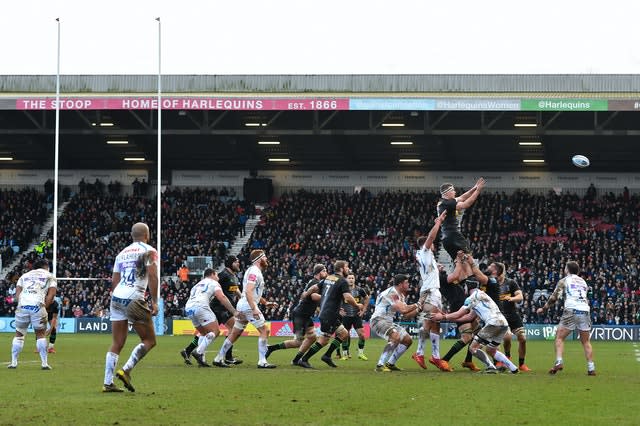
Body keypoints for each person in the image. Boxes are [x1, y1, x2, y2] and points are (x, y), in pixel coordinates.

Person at [102, 222, 159, 393]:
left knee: (117, 343)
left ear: (132, 236)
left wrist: (118, 298)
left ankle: (107, 382)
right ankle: (126, 370)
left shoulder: (122, 253)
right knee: (149, 340)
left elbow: (114, 280)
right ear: (147, 235)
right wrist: (155, 301)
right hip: (134, 297)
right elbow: (153, 275)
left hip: (117, 297)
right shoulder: (149, 250)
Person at [431, 278, 518, 374]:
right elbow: (469, 317)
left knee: (473, 348)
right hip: (503, 324)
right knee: (491, 350)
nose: (464, 289)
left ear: (469, 287)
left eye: (465, 287)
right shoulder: (482, 295)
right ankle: (514, 368)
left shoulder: (471, 298)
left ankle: (490, 367)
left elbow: (459, 313)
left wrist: (443, 317)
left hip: (493, 323)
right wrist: (448, 317)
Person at [212, 249, 278, 369]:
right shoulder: (254, 272)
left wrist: (265, 302)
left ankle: (218, 358)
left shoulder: (254, 271)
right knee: (265, 331)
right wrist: (254, 308)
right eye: (265, 257)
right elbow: (248, 291)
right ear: (259, 259)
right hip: (248, 305)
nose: (267, 259)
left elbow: (251, 291)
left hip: (244, 304)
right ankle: (262, 361)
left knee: (235, 334)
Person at [296, 260, 364, 369]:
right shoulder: (342, 281)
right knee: (324, 339)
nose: (348, 269)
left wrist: (306, 294)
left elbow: (314, 288)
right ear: (341, 269)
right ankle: (304, 359)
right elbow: (347, 297)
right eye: (347, 267)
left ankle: (327, 356)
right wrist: (357, 305)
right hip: (330, 314)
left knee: (344, 334)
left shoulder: (329, 278)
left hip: (328, 313)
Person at [468, 259, 530, 371]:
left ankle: (521, 364)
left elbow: (520, 297)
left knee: (522, 338)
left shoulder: (510, 282)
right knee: (506, 337)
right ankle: (506, 358)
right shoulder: (489, 283)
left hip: (511, 314)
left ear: (498, 271)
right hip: (499, 315)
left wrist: (511, 298)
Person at [180, 255, 243, 365]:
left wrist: (241, 297)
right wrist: (234, 310)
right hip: (219, 308)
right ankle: (223, 356)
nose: (239, 264)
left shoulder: (234, 277)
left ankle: (190, 351)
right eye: (237, 262)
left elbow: (234, 289)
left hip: (193, 307)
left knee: (206, 333)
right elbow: (221, 294)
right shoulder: (222, 275)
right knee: (223, 330)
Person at [536, 261, 596, 376]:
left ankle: (559, 361)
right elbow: (587, 296)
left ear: (567, 270)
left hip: (571, 309)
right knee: (586, 341)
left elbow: (554, 297)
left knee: (559, 337)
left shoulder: (564, 280)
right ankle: (591, 367)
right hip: (584, 309)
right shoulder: (583, 282)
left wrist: (544, 308)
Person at [412, 209, 452, 371]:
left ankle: (435, 356)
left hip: (433, 290)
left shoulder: (426, 257)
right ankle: (419, 352)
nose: (433, 244)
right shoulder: (424, 250)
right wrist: (438, 222)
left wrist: (438, 268)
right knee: (430, 320)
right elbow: (430, 238)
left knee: (436, 322)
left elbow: (429, 269)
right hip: (430, 291)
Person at [265, 264, 327, 365]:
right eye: (325, 271)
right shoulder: (315, 282)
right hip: (300, 315)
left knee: (312, 337)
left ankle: (296, 360)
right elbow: (313, 296)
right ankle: (271, 348)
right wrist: (326, 297)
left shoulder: (315, 282)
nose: (326, 273)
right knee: (298, 342)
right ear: (320, 272)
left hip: (305, 315)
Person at [8, 258, 57, 370]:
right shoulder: (50, 276)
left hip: (23, 305)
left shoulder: (24, 276)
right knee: (40, 334)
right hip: (38, 305)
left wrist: (21, 304)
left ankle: (14, 362)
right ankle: (44, 363)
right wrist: (45, 306)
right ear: (46, 266)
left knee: (19, 334)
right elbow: (52, 294)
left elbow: (17, 293)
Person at [371, 274, 421, 372]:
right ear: (400, 284)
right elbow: (403, 310)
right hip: (378, 320)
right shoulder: (392, 293)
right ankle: (380, 365)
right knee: (395, 336)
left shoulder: (401, 296)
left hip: (388, 322)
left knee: (407, 340)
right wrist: (418, 304)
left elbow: (406, 315)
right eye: (406, 282)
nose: (408, 284)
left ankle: (390, 363)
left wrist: (419, 308)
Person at [436, 178, 485, 274]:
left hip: (446, 238)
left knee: (458, 260)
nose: (455, 192)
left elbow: (462, 197)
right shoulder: (448, 203)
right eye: (453, 190)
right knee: (468, 256)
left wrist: (474, 188)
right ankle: (474, 278)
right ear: (448, 192)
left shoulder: (442, 203)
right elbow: (466, 203)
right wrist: (478, 191)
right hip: (453, 234)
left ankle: (458, 280)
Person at [336, 272, 370, 361]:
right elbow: (336, 300)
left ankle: (360, 353)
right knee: (344, 336)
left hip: (356, 315)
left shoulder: (359, 290)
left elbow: (367, 298)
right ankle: (345, 355)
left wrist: (363, 310)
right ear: (346, 279)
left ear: (354, 279)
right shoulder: (342, 290)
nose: (351, 280)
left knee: (362, 335)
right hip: (346, 316)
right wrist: (339, 309)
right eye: (349, 278)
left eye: (352, 278)